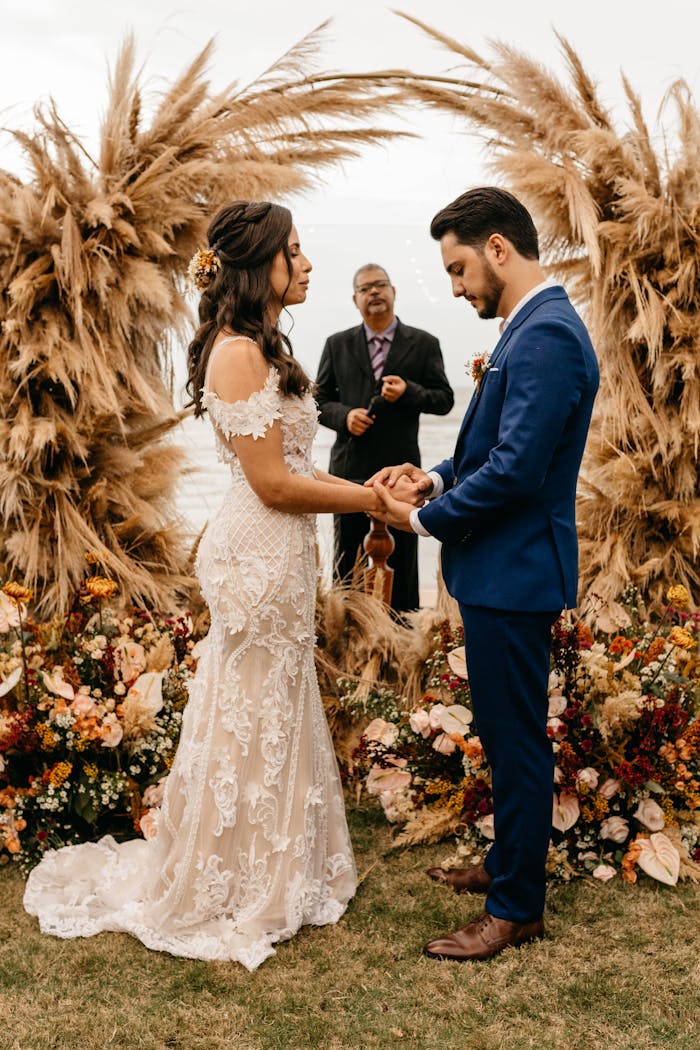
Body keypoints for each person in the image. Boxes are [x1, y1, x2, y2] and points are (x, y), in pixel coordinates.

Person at [24, 201, 391, 970]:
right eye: (297, 250)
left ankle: (275, 862)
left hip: (280, 550)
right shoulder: (236, 355)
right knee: (250, 702)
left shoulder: (263, 346)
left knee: (275, 697)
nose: (309, 263)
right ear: (262, 264)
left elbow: (295, 471)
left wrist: (371, 484)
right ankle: (234, 874)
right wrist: (368, 501)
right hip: (255, 552)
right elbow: (272, 486)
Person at [369, 187, 599, 961]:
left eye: (461, 267)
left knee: (518, 742)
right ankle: (506, 867)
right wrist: (432, 480)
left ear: (499, 248)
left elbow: (520, 471)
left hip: (516, 571)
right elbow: (483, 453)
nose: (459, 285)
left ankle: (515, 910)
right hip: (499, 568)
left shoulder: (548, 335)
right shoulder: (525, 329)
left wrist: (420, 521)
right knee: (504, 738)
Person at [315, 263, 453, 613]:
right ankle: (345, 632)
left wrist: (409, 391)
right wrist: (344, 417)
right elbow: (317, 402)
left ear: (394, 293)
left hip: (402, 476)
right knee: (347, 561)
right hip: (348, 472)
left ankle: (402, 639)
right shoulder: (336, 344)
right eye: (365, 288)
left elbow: (444, 399)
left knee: (403, 564)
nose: (374, 292)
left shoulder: (424, 343)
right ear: (354, 299)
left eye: (380, 285)